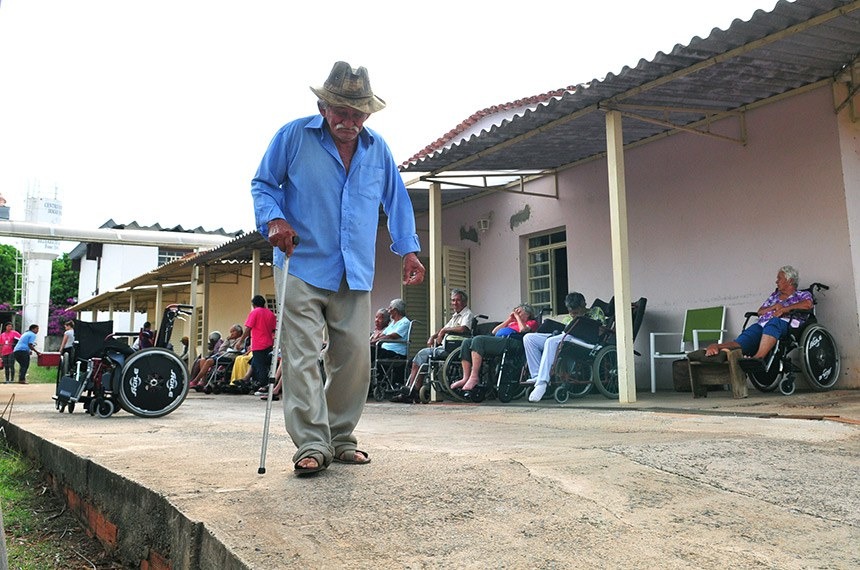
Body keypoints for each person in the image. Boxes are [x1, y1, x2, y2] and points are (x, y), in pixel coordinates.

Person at [250, 60, 425, 475]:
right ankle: (312, 443)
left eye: (357, 113)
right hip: (301, 264)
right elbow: (262, 184)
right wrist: (273, 219)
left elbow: (396, 199)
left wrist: (409, 250)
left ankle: (341, 437)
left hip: (355, 269)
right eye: (341, 112)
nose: (349, 121)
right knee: (302, 356)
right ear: (323, 106)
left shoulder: (377, 149)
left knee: (353, 358)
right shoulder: (293, 136)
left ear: (367, 113)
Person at [705, 265, 813, 359]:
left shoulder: (801, 295)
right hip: (764, 324)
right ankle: (718, 347)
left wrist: (784, 309)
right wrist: (773, 307)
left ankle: (758, 357)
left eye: (779, 278)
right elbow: (760, 312)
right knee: (750, 332)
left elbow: (808, 304)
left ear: (790, 281)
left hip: (786, 324)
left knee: (774, 323)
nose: (776, 281)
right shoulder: (774, 296)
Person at [395, 289, 474, 402]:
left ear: (464, 302)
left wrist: (444, 331)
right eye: (453, 300)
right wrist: (433, 336)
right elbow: (443, 329)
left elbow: (463, 328)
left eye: (458, 300)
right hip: (446, 346)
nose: (455, 303)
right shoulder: (455, 316)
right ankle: (413, 389)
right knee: (418, 360)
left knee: (422, 354)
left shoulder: (467, 314)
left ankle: (413, 390)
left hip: (454, 348)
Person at [525, 292, 608, 402]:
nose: (573, 315)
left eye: (576, 312)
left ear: (583, 305)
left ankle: (542, 384)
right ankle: (537, 376)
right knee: (529, 338)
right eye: (570, 312)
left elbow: (601, 330)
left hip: (585, 341)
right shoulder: (568, 318)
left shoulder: (596, 311)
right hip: (565, 338)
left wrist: (583, 323)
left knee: (551, 341)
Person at [450, 303, 538, 398]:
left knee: (478, 340)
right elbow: (494, 332)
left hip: (513, 342)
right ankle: (465, 377)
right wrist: (509, 320)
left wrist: (517, 317)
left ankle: (474, 377)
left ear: (528, 314)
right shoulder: (512, 323)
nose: (516, 313)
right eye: (516, 311)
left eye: (519, 312)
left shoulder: (531, 322)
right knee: (466, 342)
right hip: (499, 341)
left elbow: (523, 330)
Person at [236, 295, 276, 392]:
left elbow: (248, 328)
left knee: (260, 365)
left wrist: (240, 341)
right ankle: (246, 379)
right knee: (256, 362)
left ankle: (264, 385)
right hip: (268, 343)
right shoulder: (270, 313)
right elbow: (274, 329)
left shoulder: (255, 312)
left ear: (254, 304)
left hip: (258, 343)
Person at [189, 324, 244, 390]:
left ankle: (195, 380)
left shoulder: (241, 340)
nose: (231, 334)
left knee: (209, 361)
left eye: (233, 331)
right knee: (202, 360)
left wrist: (223, 353)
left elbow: (235, 352)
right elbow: (221, 350)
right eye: (230, 332)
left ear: (239, 332)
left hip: (232, 357)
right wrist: (227, 340)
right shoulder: (230, 340)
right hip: (224, 355)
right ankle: (203, 381)